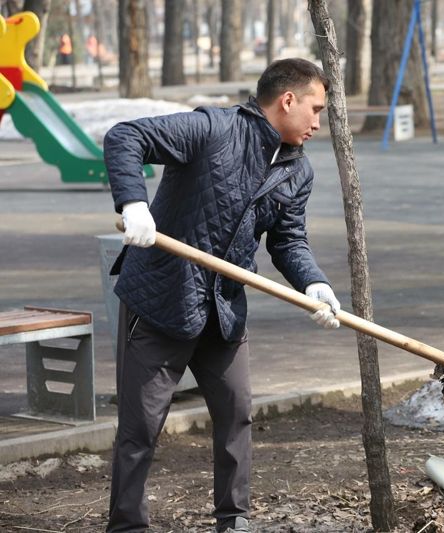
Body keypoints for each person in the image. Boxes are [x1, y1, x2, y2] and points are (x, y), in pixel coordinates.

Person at [104, 58, 341, 533]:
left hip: (224, 311)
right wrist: (133, 202)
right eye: (315, 109)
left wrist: (315, 283)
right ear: (287, 100)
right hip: (159, 303)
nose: (319, 122)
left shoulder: (297, 169)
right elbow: (124, 137)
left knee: (236, 416)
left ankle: (234, 521)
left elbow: (288, 240)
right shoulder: (213, 129)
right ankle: (127, 526)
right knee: (140, 429)